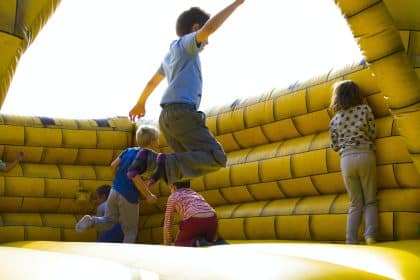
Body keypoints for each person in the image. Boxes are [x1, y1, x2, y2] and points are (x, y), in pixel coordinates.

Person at [128, 1, 245, 187]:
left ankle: (173, 188)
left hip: (166, 118)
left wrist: (140, 103)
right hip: (182, 113)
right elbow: (211, 27)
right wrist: (237, 4)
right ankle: (152, 160)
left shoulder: (170, 55)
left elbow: (152, 82)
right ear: (196, 28)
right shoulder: (187, 45)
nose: (207, 42)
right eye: (205, 37)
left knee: (184, 167)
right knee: (216, 157)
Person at [75, 125, 159, 243]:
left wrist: (119, 180)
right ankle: (126, 256)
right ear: (152, 142)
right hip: (129, 196)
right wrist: (148, 195)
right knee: (130, 231)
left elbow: (113, 165)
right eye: (157, 140)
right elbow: (134, 176)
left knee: (108, 221)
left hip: (115, 190)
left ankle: (91, 221)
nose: (158, 143)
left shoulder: (128, 151)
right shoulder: (145, 157)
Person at [329, 80, 377, 245]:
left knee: (355, 202)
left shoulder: (335, 119)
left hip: (347, 159)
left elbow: (334, 146)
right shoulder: (365, 110)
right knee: (370, 199)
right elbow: (372, 133)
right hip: (365, 154)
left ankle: (351, 240)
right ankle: (370, 235)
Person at [163, 181, 227, 247]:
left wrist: (167, 244)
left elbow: (168, 222)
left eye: (170, 188)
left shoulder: (173, 196)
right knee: (207, 241)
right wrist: (215, 235)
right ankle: (218, 242)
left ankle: (198, 242)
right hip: (212, 220)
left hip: (194, 221)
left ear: (173, 187)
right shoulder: (196, 194)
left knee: (180, 243)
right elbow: (207, 211)